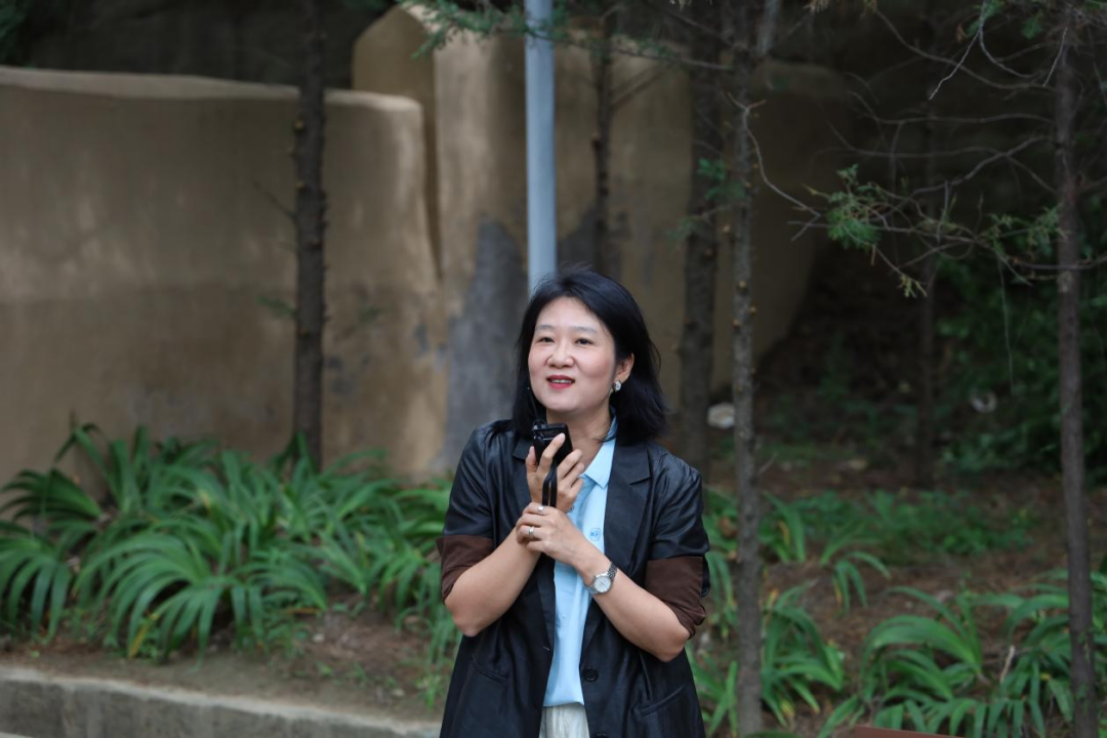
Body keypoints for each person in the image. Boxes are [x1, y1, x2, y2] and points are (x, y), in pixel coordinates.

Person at [436, 268, 711, 738]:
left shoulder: (668, 482)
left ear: (622, 367)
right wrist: (538, 523)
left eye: (583, 342)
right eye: (545, 340)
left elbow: (668, 637)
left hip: (630, 721)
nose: (559, 357)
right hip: (503, 717)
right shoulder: (490, 455)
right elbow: (467, 612)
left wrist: (578, 551)